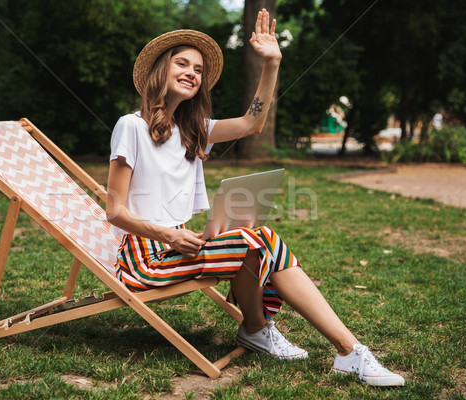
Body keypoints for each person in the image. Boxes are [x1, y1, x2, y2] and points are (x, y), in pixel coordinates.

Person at [106, 9, 404, 387]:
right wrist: (167, 235)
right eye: (181, 63)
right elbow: (114, 211)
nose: (192, 73)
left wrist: (272, 62)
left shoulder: (195, 130)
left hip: (177, 245)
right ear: (159, 72)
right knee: (260, 240)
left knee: (253, 238)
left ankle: (264, 330)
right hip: (143, 259)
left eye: (198, 69)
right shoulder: (131, 127)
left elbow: (253, 122)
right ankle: (345, 350)